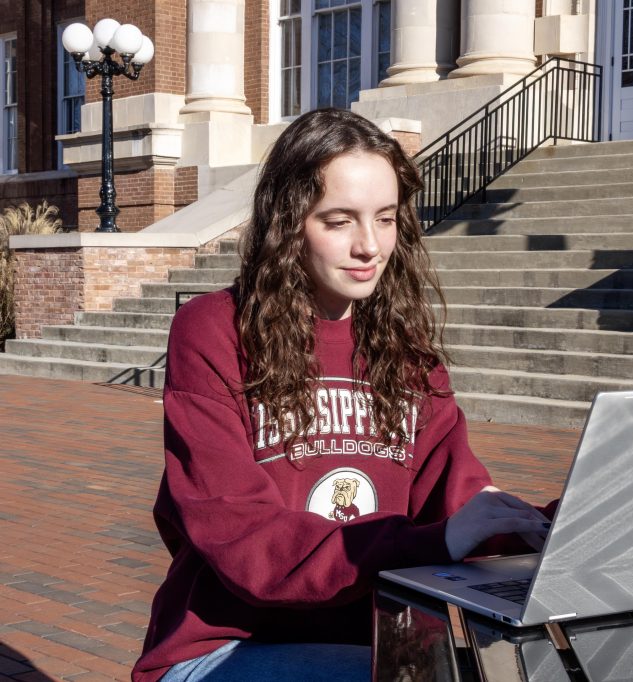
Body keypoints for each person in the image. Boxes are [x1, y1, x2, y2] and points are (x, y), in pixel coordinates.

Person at [132, 109, 553, 682]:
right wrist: (432, 542)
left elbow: (456, 497)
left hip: (373, 645)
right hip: (223, 649)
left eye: (384, 219)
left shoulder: (406, 352)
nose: (369, 246)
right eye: (339, 220)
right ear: (287, 223)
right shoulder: (213, 330)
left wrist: (547, 525)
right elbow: (242, 535)